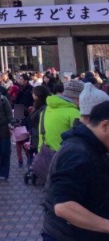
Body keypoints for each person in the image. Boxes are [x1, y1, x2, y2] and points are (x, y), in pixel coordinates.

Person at [42, 101, 109, 241]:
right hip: (69, 236)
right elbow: (64, 206)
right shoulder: (77, 153)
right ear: (105, 126)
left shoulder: (94, 146)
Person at [40, 79, 83, 152]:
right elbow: (81, 142)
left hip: (47, 155)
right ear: (78, 97)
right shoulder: (75, 113)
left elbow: (41, 135)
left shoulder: (46, 109)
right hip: (67, 157)